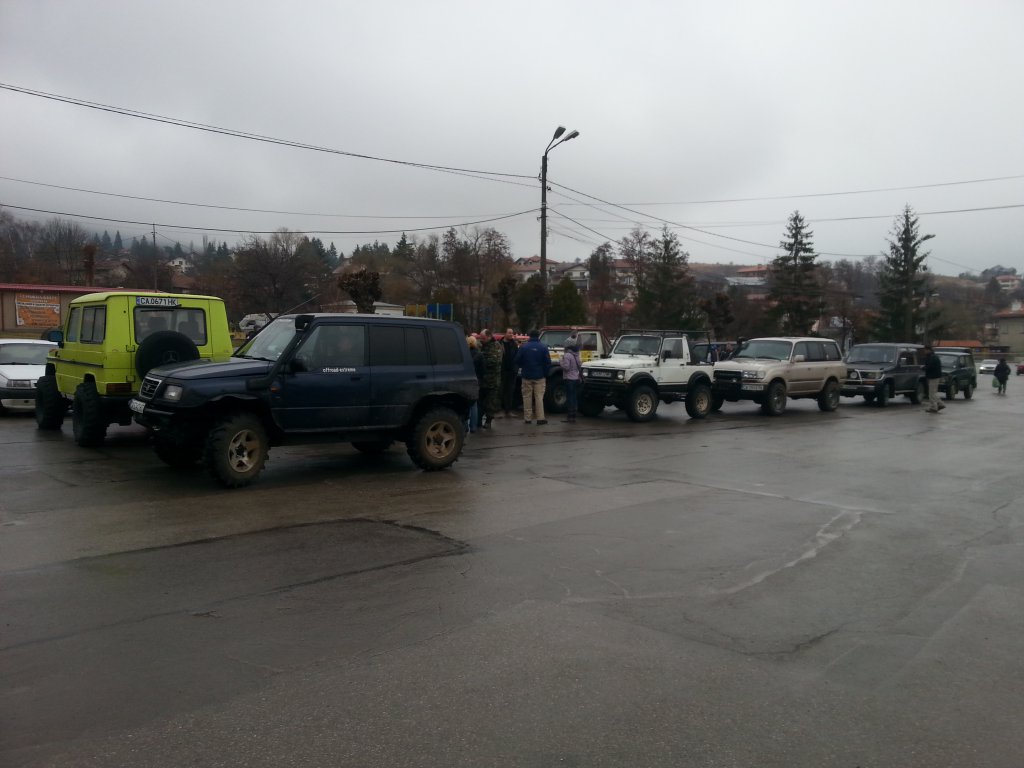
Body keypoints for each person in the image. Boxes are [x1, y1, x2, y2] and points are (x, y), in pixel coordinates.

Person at [515, 329, 551, 425]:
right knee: (539, 397)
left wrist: (523, 366)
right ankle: (540, 418)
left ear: (530, 336)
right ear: (538, 336)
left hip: (526, 375)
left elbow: (517, 360)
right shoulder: (543, 347)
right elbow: (548, 362)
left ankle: (528, 418)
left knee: (527, 397)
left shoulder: (523, 347)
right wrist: (545, 373)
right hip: (539, 376)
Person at [479, 329, 503, 428]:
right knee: (480, 402)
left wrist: (481, 360)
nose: (481, 340)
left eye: (483, 338)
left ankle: (488, 421)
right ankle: (478, 421)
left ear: (489, 337)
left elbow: (495, 361)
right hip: (482, 379)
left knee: (490, 402)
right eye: (480, 338)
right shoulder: (482, 345)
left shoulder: (496, 346)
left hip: (492, 380)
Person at [559, 341, 582, 423]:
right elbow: (580, 365)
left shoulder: (567, 355)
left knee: (569, 398)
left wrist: (560, 361)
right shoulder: (577, 355)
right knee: (574, 397)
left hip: (569, 379)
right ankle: (574, 415)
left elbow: (566, 367)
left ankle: (570, 417)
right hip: (576, 378)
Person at [500, 328, 520, 417]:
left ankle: (508, 410)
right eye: (509, 333)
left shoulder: (514, 344)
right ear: (505, 334)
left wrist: (516, 368)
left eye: (512, 333)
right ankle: (499, 410)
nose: (511, 334)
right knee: (501, 391)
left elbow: (517, 357)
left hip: (512, 372)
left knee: (510, 391)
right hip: (502, 371)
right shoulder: (500, 344)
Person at [466, 336, 484, 433]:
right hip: (476, 381)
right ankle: (473, 427)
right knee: (474, 404)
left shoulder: (464, 353)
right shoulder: (480, 355)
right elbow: (483, 370)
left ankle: (464, 427)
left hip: (465, 380)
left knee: (464, 403)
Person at [922, 345, 945, 413]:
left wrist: (923, 368)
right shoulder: (933, 356)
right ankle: (940, 404)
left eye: (925, 350)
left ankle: (933, 407)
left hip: (933, 376)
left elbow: (930, 366)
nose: (924, 351)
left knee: (931, 393)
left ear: (929, 350)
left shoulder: (932, 357)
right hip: (935, 376)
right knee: (933, 393)